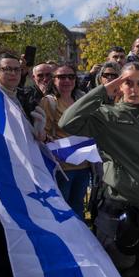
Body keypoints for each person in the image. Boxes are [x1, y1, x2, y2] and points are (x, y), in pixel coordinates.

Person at [58, 62, 139, 277]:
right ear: (119, 86)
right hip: (119, 204)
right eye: (128, 82)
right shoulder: (106, 117)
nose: (134, 89)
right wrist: (105, 88)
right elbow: (67, 122)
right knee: (120, 266)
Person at [0, 53, 47, 277]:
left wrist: (39, 124)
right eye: (7, 69)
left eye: (17, 70)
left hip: (20, 181)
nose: (13, 74)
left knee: (17, 234)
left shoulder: (21, 100)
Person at [39, 63, 90, 218]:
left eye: (71, 76)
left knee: (78, 208)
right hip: (61, 168)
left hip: (84, 165)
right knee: (62, 210)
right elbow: (43, 134)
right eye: (61, 77)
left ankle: (79, 241)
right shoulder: (49, 102)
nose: (67, 80)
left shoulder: (82, 99)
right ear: (53, 80)